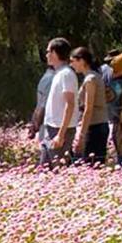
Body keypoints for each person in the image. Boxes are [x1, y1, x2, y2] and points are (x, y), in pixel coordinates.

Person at [40, 37, 78, 166]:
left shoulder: (66, 74)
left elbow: (70, 104)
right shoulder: (58, 73)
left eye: (48, 51)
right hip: (50, 128)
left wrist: (61, 135)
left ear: (55, 53)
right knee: (45, 171)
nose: (46, 55)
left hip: (60, 130)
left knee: (58, 171)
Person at [70, 47, 110, 165]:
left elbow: (89, 108)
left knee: (91, 165)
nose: (71, 65)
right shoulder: (94, 76)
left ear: (81, 61)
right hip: (98, 125)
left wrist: (81, 135)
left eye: (73, 61)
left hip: (95, 127)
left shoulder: (90, 79)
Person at [28, 53, 56, 142]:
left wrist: (34, 122)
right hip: (48, 126)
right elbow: (43, 106)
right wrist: (36, 125)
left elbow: (39, 104)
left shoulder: (46, 77)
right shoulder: (52, 78)